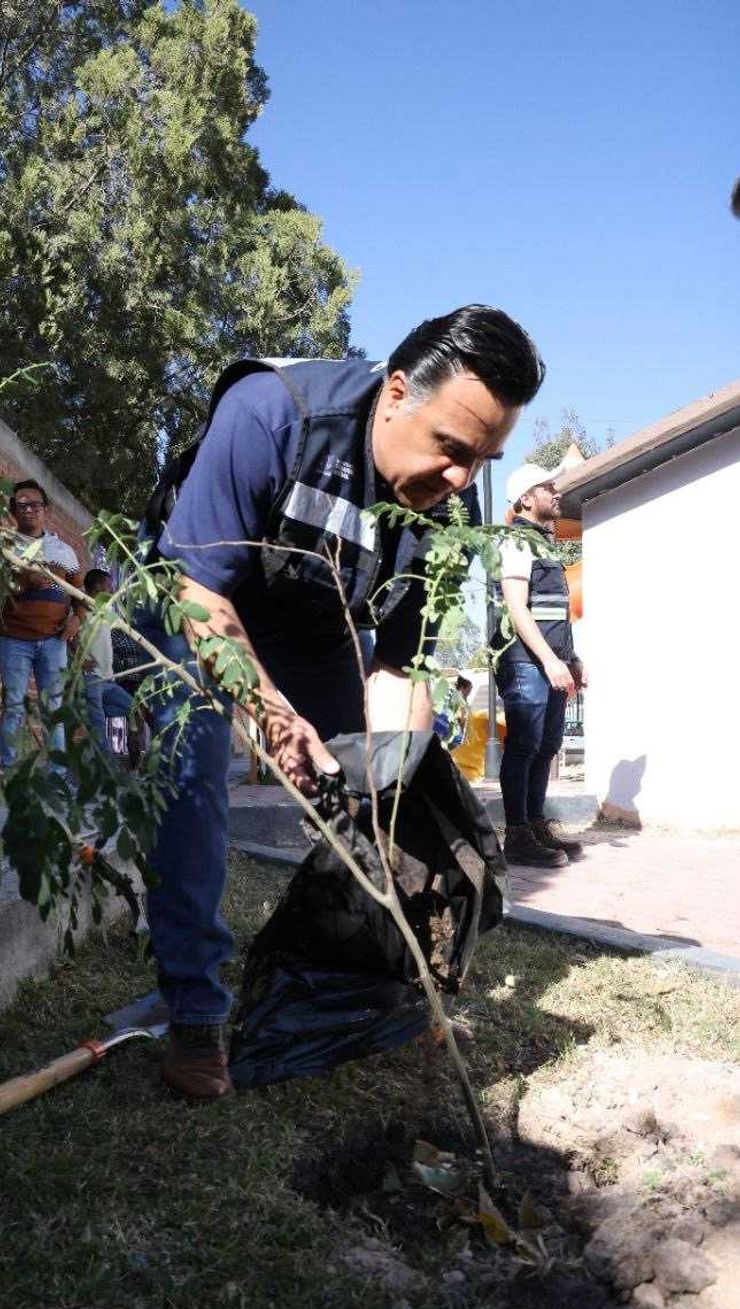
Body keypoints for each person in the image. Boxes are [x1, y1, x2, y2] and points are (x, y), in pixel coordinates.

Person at [139, 305, 546, 1100]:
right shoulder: (272, 414)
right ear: (396, 393)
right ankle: (194, 1011)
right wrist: (275, 721)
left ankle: (385, 988)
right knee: (191, 782)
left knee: (376, 801)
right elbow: (199, 597)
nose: (462, 480)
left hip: (317, 628)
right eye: (452, 450)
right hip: (199, 601)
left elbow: (395, 667)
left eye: (485, 459)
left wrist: (393, 790)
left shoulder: (446, 517)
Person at [494, 462, 587, 867]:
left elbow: (556, 614)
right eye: (548, 486)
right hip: (524, 661)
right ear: (526, 498)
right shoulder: (516, 541)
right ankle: (516, 836)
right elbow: (517, 608)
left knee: (547, 745)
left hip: (550, 662)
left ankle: (534, 826)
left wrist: (573, 659)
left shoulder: (545, 544)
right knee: (524, 745)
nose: (556, 491)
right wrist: (550, 661)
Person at [0, 480, 84, 768]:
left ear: (46, 509)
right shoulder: (0, 545)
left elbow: (81, 597)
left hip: (55, 642)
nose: (29, 510)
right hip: (14, 640)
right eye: (21, 505)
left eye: (35, 505)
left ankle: (57, 778)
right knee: (12, 708)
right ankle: (10, 774)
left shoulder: (64, 551)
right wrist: (22, 580)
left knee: (54, 711)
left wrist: (76, 619)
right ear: (13, 510)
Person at [82, 568, 135, 754]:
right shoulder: (81, 605)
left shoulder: (107, 607)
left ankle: (126, 754)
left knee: (133, 708)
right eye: (108, 584)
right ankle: (107, 767)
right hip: (92, 677)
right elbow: (69, 634)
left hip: (109, 679)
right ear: (97, 586)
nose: (112, 588)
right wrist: (78, 657)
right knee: (97, 724)